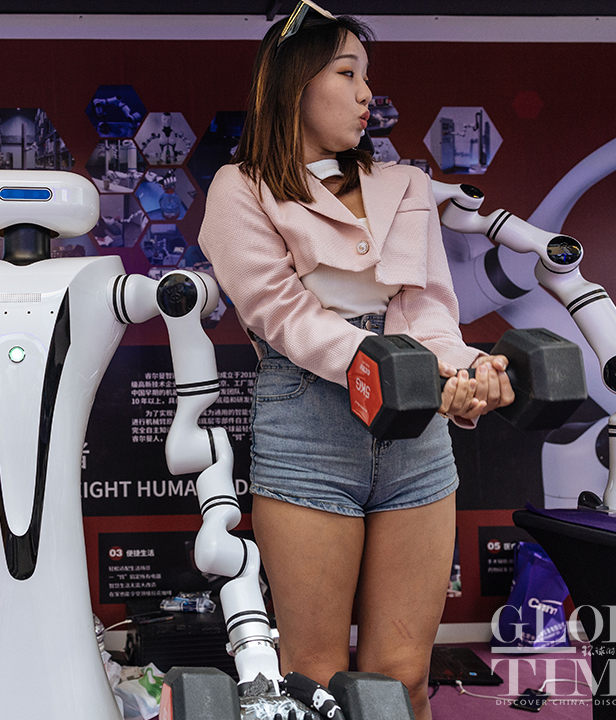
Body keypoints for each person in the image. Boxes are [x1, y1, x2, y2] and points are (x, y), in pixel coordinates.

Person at [196, 5, 514, 719]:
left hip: (416, 437)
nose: (367, 93)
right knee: (313, 679)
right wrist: (395, 369)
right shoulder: (240, 186)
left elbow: (427, 311)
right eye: (347, 73)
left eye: (367, 76)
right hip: (308, 427)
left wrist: (465, 374)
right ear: (294, 85)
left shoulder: (405, 184)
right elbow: (281, 313)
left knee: (402, 679)